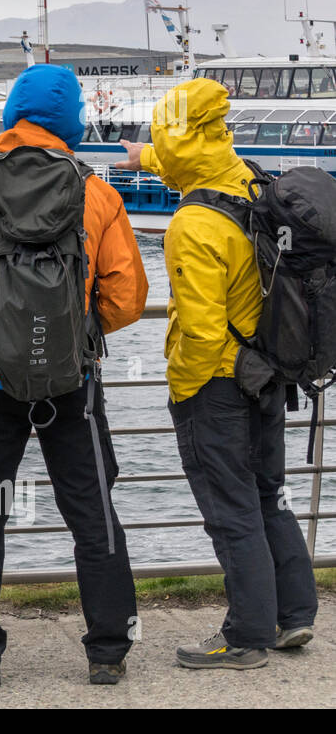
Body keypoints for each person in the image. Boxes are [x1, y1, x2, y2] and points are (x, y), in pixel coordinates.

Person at [0, 64, 148, 689]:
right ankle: (107, 651)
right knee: (93, 509)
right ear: (70, 117)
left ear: (13, 113)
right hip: (73, 381)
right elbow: (127, 297)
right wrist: (74, 334)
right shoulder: (95, 191)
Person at [116, 78, 319, 669]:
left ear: (176, 135)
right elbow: (191, 157)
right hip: (270, 370)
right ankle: (293, 615)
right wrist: (145, 158)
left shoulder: (193, 225)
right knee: (267, 497)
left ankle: (246, 635)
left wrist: (183, 391)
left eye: (157, 135)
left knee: (230, 509)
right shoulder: (248, 177)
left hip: (221, 384)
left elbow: (202, 331)